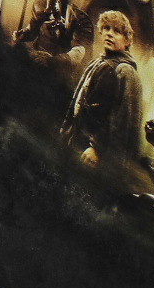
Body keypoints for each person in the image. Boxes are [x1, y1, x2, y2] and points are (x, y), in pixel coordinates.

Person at [61, 10, 145, 182]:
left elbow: (121, 121)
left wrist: (97, 148)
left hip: (97, 154)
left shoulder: (125, 71)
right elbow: (79, 100)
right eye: (106, 28)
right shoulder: (98, 63)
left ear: (127, 40)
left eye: (117, 31)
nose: (109, 34)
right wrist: (67, 128)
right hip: (79, 143)